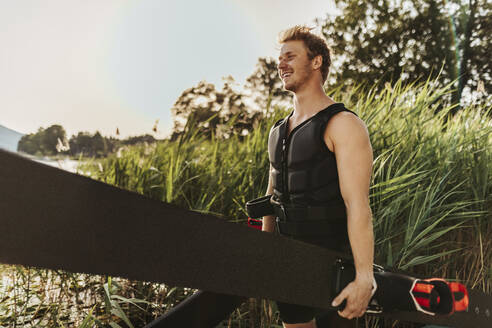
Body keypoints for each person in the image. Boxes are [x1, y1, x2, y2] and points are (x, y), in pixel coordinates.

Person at [262, 25, 375, 328]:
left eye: (290, 56)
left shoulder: (343, 124)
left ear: (316, 62)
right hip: (288, 265)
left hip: (333, 268)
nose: (281, 64)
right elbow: (272, 199)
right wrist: (261, 256)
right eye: (279, 58)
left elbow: (358, 206)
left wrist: (365, 277)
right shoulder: (277, 131)